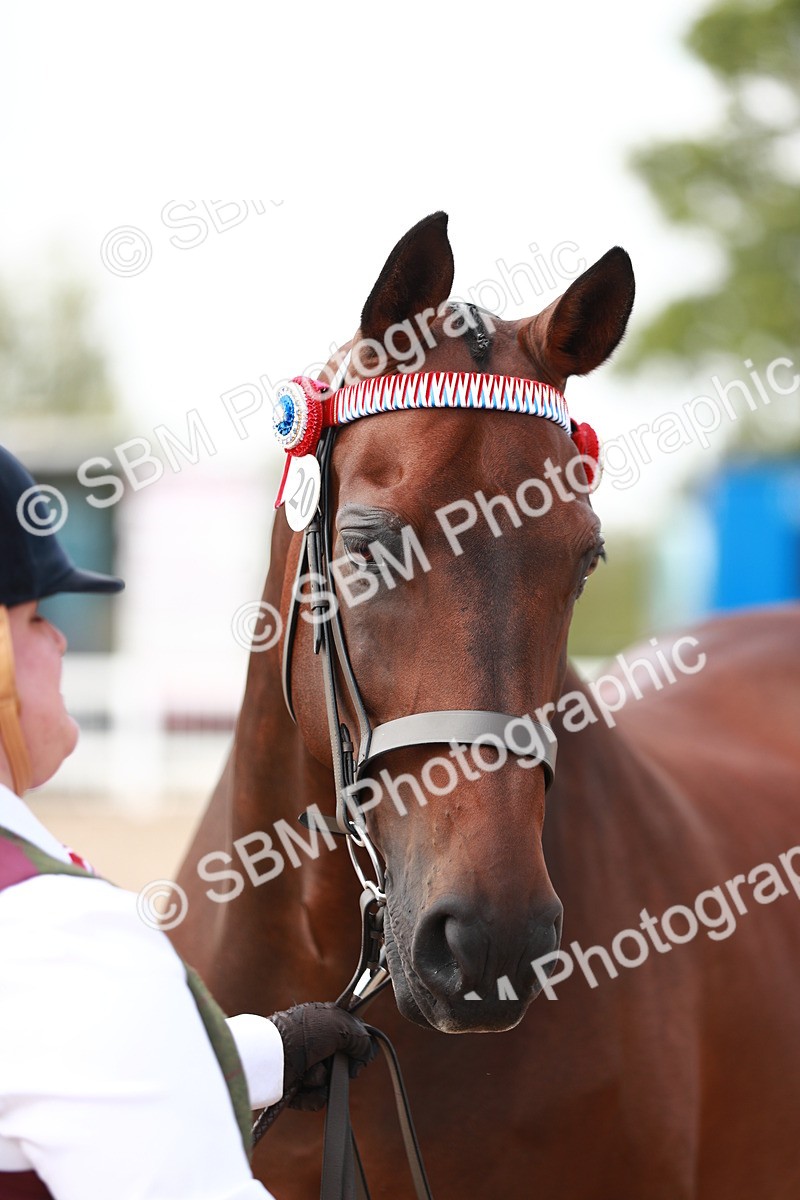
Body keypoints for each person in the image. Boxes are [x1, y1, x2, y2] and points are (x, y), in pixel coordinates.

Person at [0, 445, 376, 1200]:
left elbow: (56, 1064)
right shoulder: (62, 937)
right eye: (38, 616)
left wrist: (261, 1052)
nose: (60, 639)